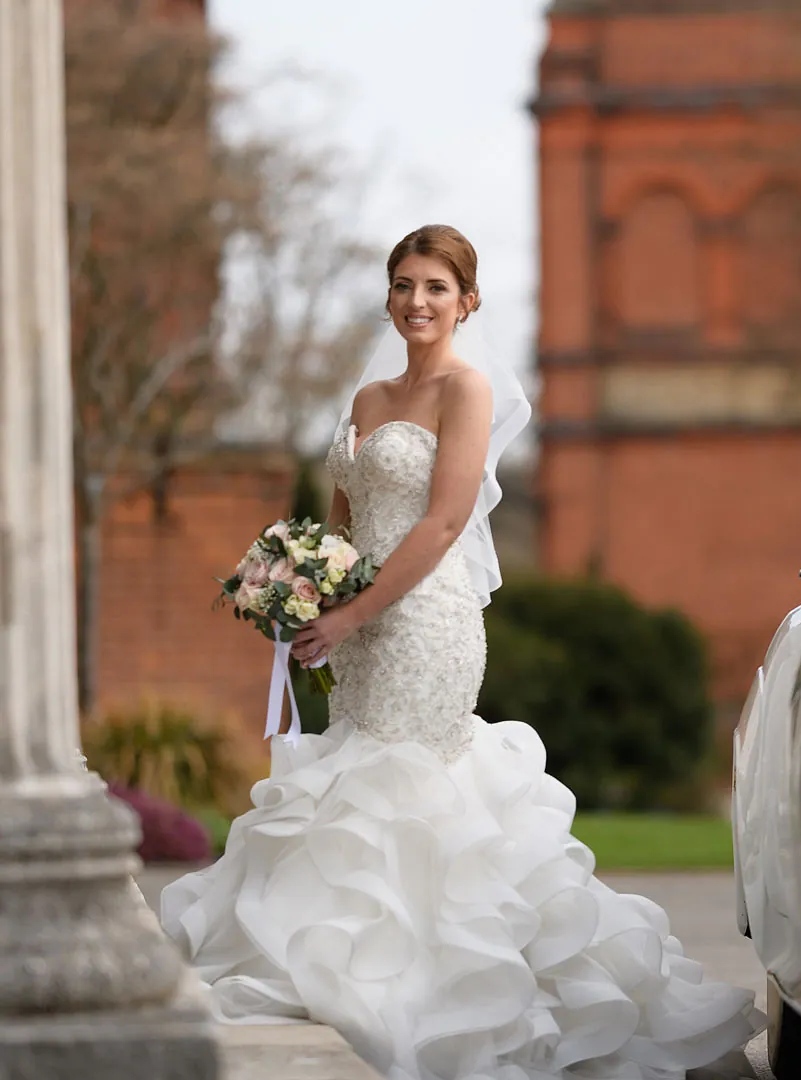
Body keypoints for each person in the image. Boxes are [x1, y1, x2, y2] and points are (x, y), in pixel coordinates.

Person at [159, 225, 765, 1080]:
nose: (417, 301)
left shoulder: (465, 391)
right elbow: (341, 516)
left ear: (466, 301)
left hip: (425, 626)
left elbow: (443, 523)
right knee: (357, 790)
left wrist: (352, 613)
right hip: (360, 630)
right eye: (404, 284)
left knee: (408, 792)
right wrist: (303, 587)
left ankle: (451, 1004)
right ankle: (359, 974)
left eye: (436, 287)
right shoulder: (367, 399)